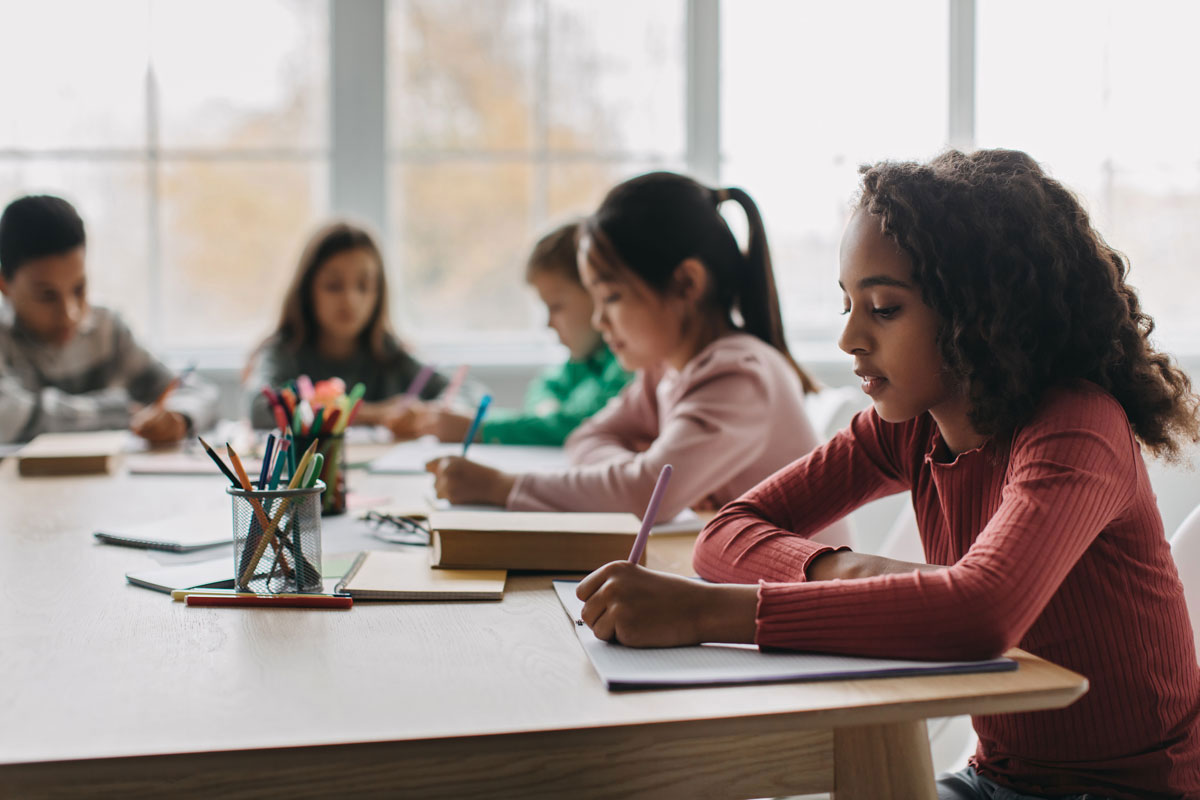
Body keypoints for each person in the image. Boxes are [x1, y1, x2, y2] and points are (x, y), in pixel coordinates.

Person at [574, 150, 1200, 799]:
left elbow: (979, 615)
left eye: (883, 308)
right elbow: (725, 534)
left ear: (981, 313)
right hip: (996, 781)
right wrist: (847, 570)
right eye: (848, 302)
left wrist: (704, 614)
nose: (848, 337)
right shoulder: (910, 425)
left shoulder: (1076, 426)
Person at [428, 171, 852, 547]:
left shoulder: (738, 374)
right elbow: (588, 438)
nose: (599, 320)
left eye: (611, 297)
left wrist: (502, 486)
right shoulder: (664, 371)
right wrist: (642, 471)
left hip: (797, 601)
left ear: (686, 283)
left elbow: (647, 494)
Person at [0, 195, 217, 444]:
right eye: (47, 296)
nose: (69, 314)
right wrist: (121, 411)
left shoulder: (107, 329)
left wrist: (179, 417)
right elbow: (10, 420)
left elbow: (198, 391)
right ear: (4, 284)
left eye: (79, 289)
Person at [418, 220, 630, 446]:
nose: (548, 323)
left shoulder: (627, 364)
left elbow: (581, 426)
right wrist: (547, 415)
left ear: (596, 293)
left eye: (556, 307)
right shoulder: (584, 362)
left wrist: (480, 428)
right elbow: (542, 388)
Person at [246, 221, 448, 438]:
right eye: (333, 285)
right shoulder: (284, 351)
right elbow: (259, 409)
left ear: (379, 293)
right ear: (307, 290)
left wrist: (425, 415)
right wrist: (374, 414)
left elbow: (467, 394)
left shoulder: (390, 354)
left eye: (364, 286)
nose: (350, 300)